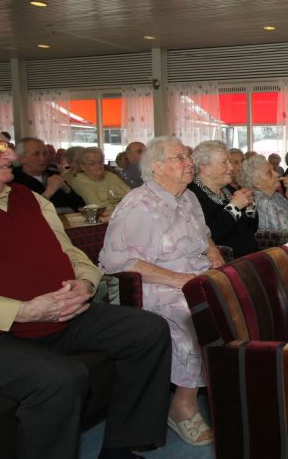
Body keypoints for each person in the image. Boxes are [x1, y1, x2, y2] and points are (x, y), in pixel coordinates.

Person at [0, 127, 172, 459]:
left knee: (148, 329)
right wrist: (21, 311)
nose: (11, 155)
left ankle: (121, 448)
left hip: (61, 314)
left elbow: (70, 253)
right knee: (61, 379)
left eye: (7, 146)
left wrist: (85, 283)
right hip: (1, 334)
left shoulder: (29, 198)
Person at [100, 135, 226, 447]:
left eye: (188, 156)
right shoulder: (139, 205)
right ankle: (182, 405)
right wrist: (177, 279)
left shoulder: (189, 197)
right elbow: (117, 261)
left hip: (194, 275)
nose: (189, 163)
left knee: (238, 297)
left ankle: (231, 385)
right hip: (153, 284)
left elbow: (204, 234)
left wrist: (213, 253)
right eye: (180, 158)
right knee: (196, 313)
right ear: (156, 167)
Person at [189, 141, 259, 258]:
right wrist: (234, 207)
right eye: (224, 162)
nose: (231, 167)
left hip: (250, 257)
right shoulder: (192, 195)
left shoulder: (229, 190)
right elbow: (209, 236)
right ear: (205, 168)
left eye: (230, 162)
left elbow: (252, 228)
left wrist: (249, 207)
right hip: (227, 262)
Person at [240, 155, 288, 236]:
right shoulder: (264, 202)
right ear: (256, 183)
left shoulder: (276, 195)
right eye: (269, 173)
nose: (277, 174)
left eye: (273, 170)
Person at [12, 137, 84, 214]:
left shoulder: (53, 174)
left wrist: (67, 190)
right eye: (36, 154)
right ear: (22, 158)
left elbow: (81, 206)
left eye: (45, 153)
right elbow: (25, 214)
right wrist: (49, 192)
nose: (42, 159)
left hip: (69, 219)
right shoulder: (14, 180)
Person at [68, 147, 131, 212]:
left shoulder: (110, 176)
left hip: (128, 211)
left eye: (100, 162)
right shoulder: (80, 181)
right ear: (82, 166)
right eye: (92, 164)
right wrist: (123, 208)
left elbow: (130, 194)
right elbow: (97, 205)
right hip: (107, 215)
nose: (98, 166)